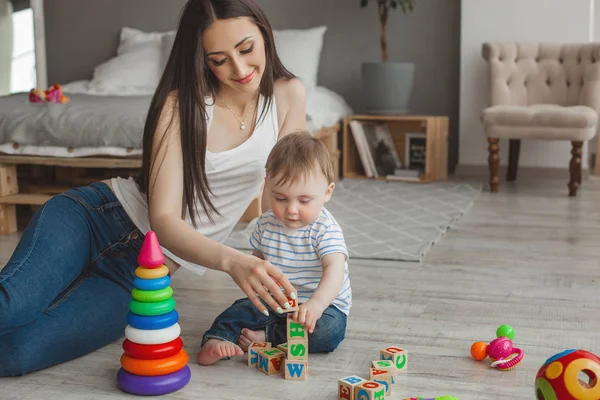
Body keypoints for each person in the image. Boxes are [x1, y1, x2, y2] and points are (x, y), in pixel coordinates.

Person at [0, 0, 306, 376]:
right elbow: (162, 219)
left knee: (16, 353)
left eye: (246, 49)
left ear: (264, 33)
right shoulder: (181, 105)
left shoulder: (288, 95)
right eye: (218, 59)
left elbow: (288, 187)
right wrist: (232, 260)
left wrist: (300, 261)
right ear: (201, 58)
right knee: (11, 306)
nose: (239, 69)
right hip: (96, 217)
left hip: (145, 272)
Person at [197, 131, 352, 365]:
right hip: (276, 301)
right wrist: (259, 295)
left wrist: (316, 304)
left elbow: (335, 271)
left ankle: (268, 337)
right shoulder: (265, 224)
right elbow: (258, 263)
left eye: (304, 201)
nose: (291, 209)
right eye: (280, 198)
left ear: (327, 193)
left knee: (329, 331)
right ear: (267, 187)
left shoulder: (324, 229)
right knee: (240, 310)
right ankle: (217, 339)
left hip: (321, 305)